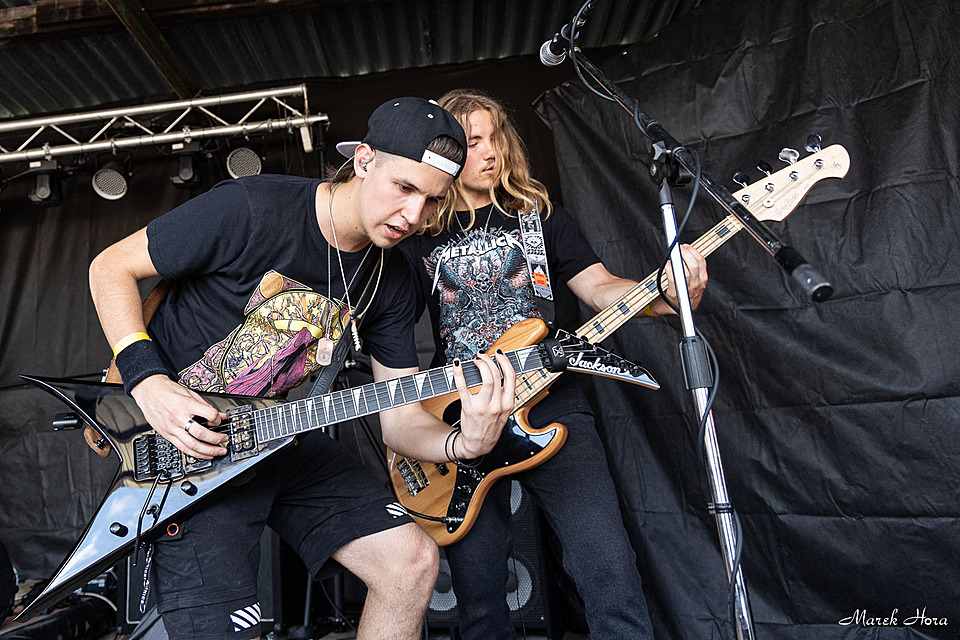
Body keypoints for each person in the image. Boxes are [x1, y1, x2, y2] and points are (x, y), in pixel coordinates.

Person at [88, 97, 517, 640]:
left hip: (277, 433)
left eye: (432, 200)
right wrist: (148, 381)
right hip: (185, 449)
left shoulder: (390, 277)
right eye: (404, 188)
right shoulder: (253, 207)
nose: (414, 216)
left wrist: (465, 444)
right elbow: (110, 268)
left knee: (409, 562)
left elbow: (402, 419)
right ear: (364, 160)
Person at [398, 89, 708, 640]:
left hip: (551, 403)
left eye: (495, 138)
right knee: (479, 597)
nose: (490, 152)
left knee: (607, 567)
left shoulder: (540, 220)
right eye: (473, 142)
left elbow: (600, 289)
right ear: (444, 152)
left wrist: (663, 290)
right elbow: (389, 335)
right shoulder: (416, 238)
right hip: (462, 415)